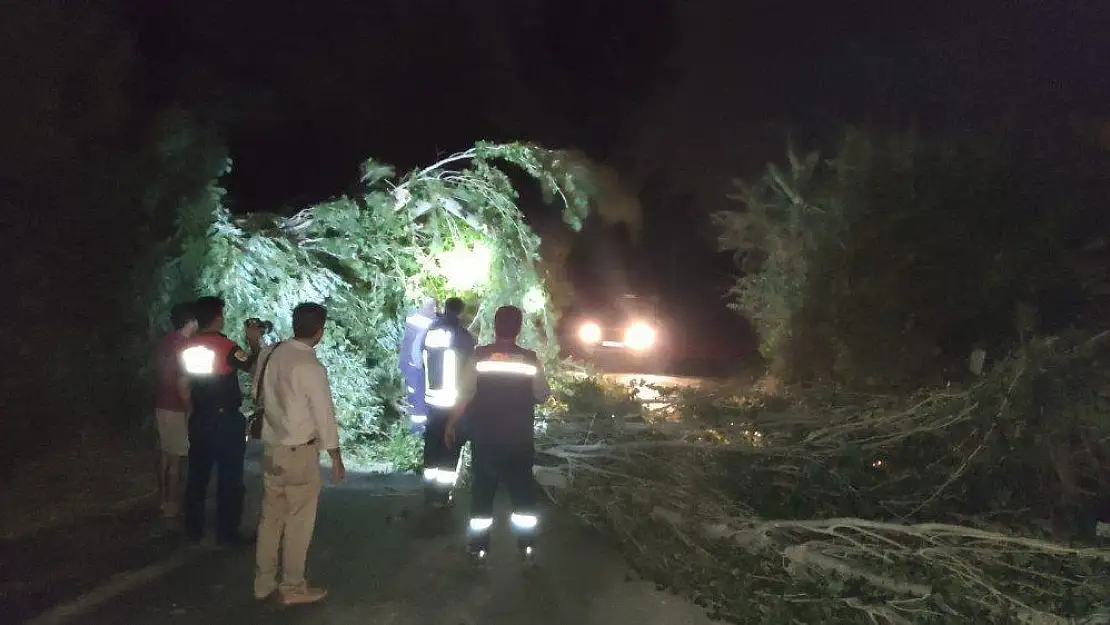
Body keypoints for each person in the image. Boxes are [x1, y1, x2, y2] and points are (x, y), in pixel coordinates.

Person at [252, 302, 345, 605]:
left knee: (271, 518)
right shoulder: (310, 367)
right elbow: (324, 414)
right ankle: (292, 587)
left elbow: (256, 392)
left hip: (272, 447)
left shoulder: (271, 352)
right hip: (298, 453)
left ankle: (263, 582)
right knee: (298, 520)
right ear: (320, 331)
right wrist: (335, 456)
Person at [446, 305, 550, 565]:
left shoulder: (479, 357)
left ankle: (478, 548)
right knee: (523, 495)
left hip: (486, 439)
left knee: (482, 494)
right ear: (518, 328)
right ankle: (527, 549)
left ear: (495, 326)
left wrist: (451, 424)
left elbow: (464, 394)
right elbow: (543, 395)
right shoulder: (529, 360)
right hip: (519, 440)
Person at [177, 296, 262, 546]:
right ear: (218, 318)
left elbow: (183, 384)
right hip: (225, 420)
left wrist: (191, 412)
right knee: (230, 477)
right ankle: (227, 533)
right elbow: (249, 366)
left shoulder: (186, 348)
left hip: (200, 417)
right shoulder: (226, 347)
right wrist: (254, 343)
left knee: (197, 476)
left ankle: (193, 529)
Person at [419, 297, 476, 506]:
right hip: (453, 404)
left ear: (445, 309)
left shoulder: (430, 332)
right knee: (449, 450)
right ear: (460, 313)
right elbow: (469, 372)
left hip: (432, 402)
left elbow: (422, 362)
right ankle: (441, 498)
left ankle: (428, 493)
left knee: (431, 448)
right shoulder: (463, 337)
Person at [154, 301, 198, 518]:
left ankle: (163, 500)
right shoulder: (185, 345)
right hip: (177, 406)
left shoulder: (166, 341)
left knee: (165, 453)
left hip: (161, 402)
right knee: (177, 458)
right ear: (191, 321)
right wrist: (190, 409)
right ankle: (172, 504)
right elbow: (183, 381)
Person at [400, 297, 437, 434]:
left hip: (406, 362)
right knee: (420, 397)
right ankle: (419, 430)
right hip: (417, 364)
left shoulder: (411, 317)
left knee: (413, 395)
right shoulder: (431, 322)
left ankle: (415, 427)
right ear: (433, 307)